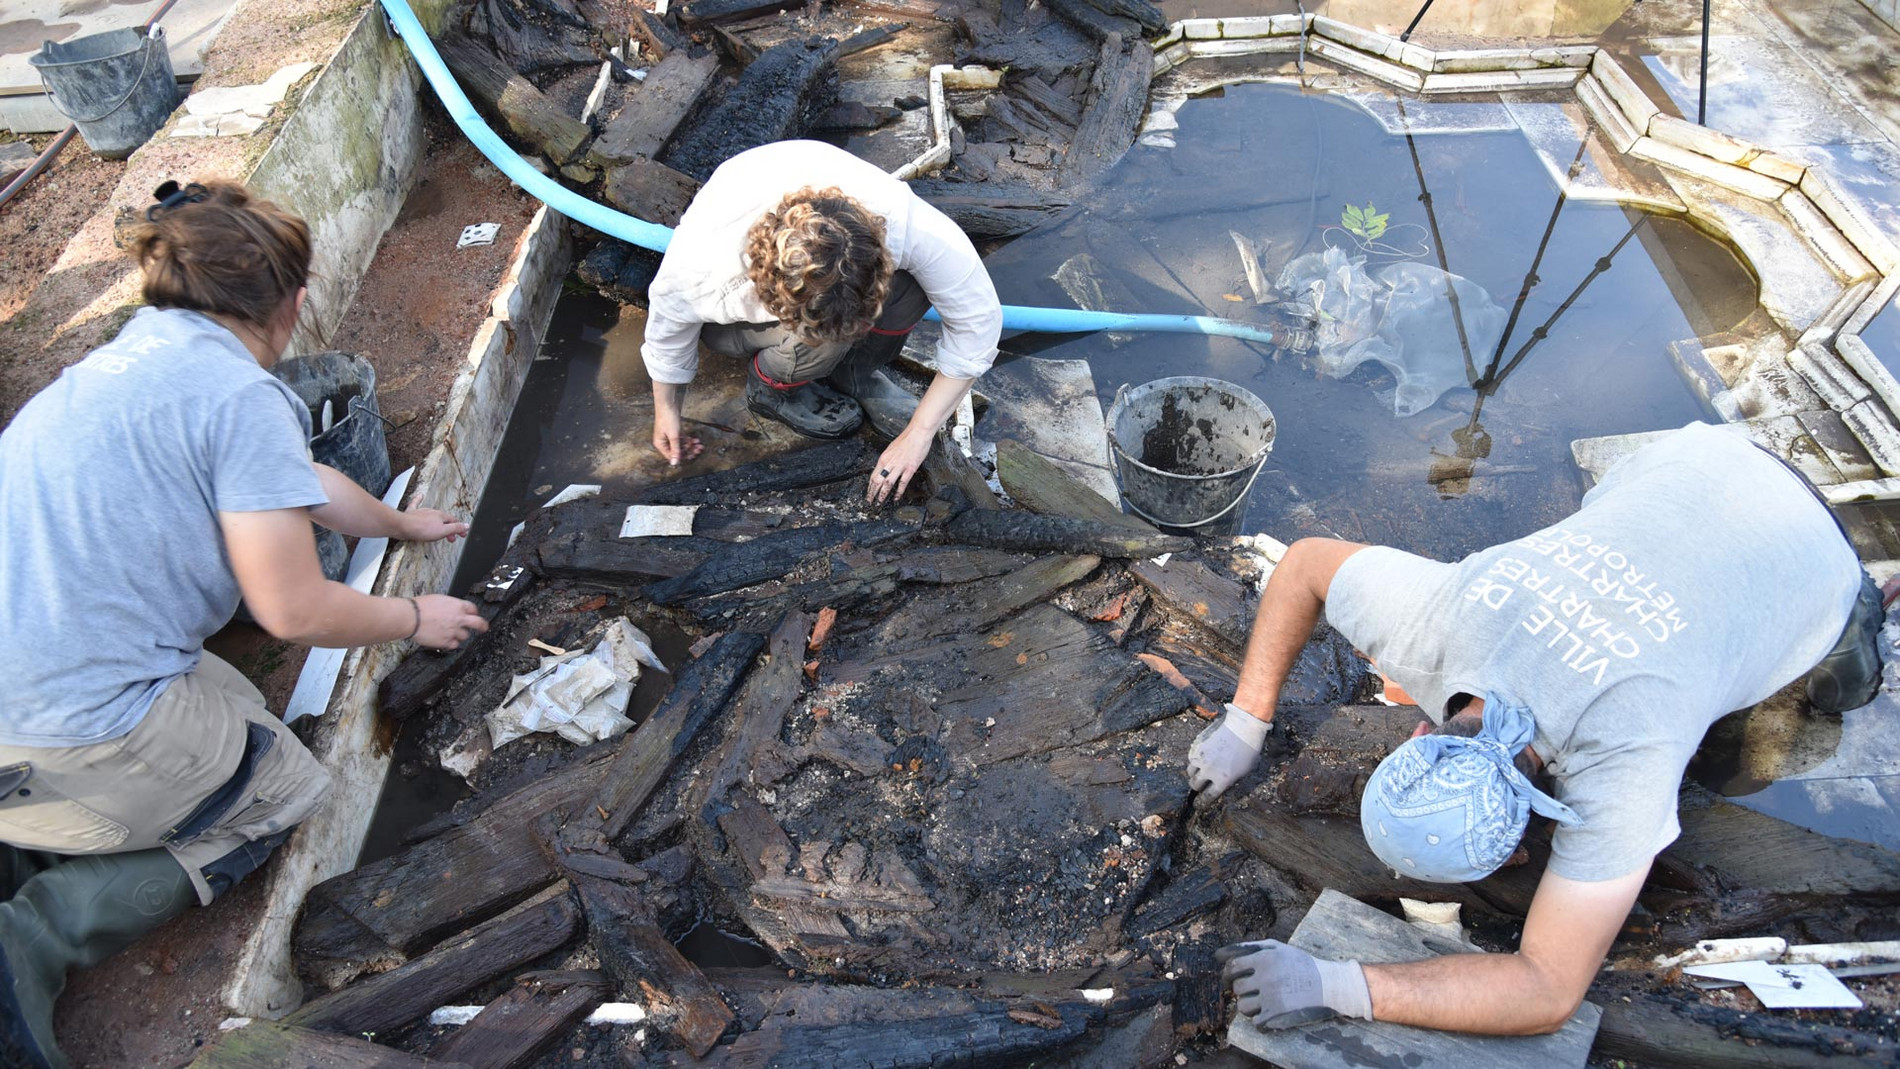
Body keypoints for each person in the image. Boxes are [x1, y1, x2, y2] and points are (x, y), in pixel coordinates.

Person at [0, 180, 488, 1069]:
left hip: (23, 690)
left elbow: (297, 479)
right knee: (281, 792)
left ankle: (38, 833)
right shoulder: (238, 396)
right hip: (73, 726)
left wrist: (400, 521)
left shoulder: (135, 353)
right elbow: (293, 610)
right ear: (294, 302)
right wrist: (413, 612)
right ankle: (37, 932)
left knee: (226, 705)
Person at [1184, 422, 1883, 1037]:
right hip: (1690, 460)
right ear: (1423, 737)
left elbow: (1547, 989)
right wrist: (1246, 722)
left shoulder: (1627, 762)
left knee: (1837, 689)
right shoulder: (1435, 617)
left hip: (1813, 553)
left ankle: (1870, 608)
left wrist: (1336, 986)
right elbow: (1305, 563)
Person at [640, 140, 1002, 504]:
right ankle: (771, 390)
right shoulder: (701, 266)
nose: (859, 330)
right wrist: (667, 411)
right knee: (826, 336)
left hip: (826, 282)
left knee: (912, 288)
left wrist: (920, 432)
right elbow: (668, 328)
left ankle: (855, 375)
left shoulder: (908, 224)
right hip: (728, 326)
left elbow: (979, 323)